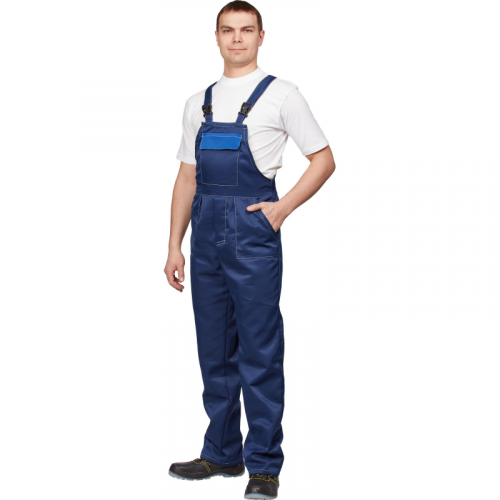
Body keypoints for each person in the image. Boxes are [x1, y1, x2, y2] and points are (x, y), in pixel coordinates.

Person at [164, 2, 335, 498]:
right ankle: (221, 453)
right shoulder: (197, 102)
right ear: (216, 37)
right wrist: (174, 244)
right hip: (204, 236)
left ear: (261, 36)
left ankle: (263, 465)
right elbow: (187, 177)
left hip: (252, 233)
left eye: (246, 30)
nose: (236, 38)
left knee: (259, 349)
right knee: (214, 348)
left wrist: (282, 209)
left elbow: (324, 160)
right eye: (228, 30)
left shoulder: (282, 95)